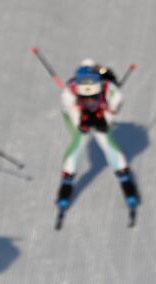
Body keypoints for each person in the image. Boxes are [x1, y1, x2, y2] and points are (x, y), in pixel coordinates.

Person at [56, 60, 140, 214]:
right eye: (85, 97)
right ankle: (66, 185)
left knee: (109, 145)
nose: (89, 101)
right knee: (78, 142)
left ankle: (126, 182)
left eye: (94, 96)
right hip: (78, 117)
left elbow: (114, 107)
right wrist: (82, 122)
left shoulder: (112, 92)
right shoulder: (68, 94)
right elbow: (74, 119)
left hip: (101, 115)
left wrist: (105, 118)